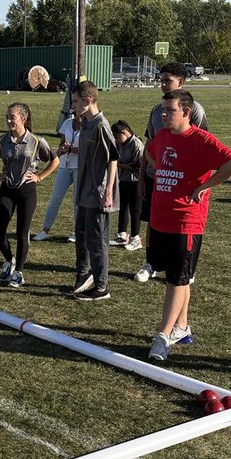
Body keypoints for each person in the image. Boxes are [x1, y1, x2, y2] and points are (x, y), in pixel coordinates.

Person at [143, 90, 231, 363]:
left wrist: (205, 186)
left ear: (186, 112)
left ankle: (163, 336)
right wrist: (160, 170)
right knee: (177, 276)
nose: (163, 115)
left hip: (185, 222)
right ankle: (182, 327)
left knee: (176, 280)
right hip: (160, 219)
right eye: (162, 110)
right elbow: (150, 154)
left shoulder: (201, 139)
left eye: (170, 110)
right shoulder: (163, 136)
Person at [135, 62, 208, 283]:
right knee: (152, 220)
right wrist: (142, 176)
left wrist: (200, 184)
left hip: (180, 180)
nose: (163, 85)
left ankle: (185, 268)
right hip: (155, 177)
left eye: (168, 80)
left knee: (181, 226)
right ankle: (152, 263)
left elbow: (202, 147)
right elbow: (149, 144)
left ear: (181, 82)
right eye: (161, 80)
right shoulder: (156, 111)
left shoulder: (195, 110)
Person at [0, 104, 59, 288]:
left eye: (12, 117)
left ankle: (19, 272)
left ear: (23, 119)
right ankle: (9, 260)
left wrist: (39, 177)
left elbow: (55, 160)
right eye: (7, 117)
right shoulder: (2, 141)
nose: (8, 121)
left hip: (27, 191)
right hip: (7, 189)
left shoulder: (36, 141)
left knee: (22, 233)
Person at [70, 81, 119, 301]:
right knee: (81, 235)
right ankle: (84, 275)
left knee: (97, 240)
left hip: (98, 195)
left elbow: (113, 158)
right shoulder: (86, 124)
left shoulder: (101, 125)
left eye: (75, 102)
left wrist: (108, 192)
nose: (72, 106)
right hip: (84, 192)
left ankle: (101, 287)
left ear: (88, 100)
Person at [33, 112, 80, 242]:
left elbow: (89, 149)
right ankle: (45, 230)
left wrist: (72, 150)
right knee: (55, 198)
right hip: (64, 166)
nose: (77, 114)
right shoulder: (67, 123)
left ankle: (77, 232)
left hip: (80, 167)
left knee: (77, 201)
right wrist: (62, 149)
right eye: (75, 111)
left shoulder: (89, 126)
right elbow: (61, 145)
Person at [111, 120, 144, 251]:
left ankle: (136, 238)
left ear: (124, 133)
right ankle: (122, 234)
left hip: (135, 181)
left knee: (135, 210)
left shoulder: (136, 144)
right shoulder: (120, 144)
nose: (116, 140)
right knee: (123, 207)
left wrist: (118, 165)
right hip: (123, 180)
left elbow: (138, 166)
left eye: (117, 137)